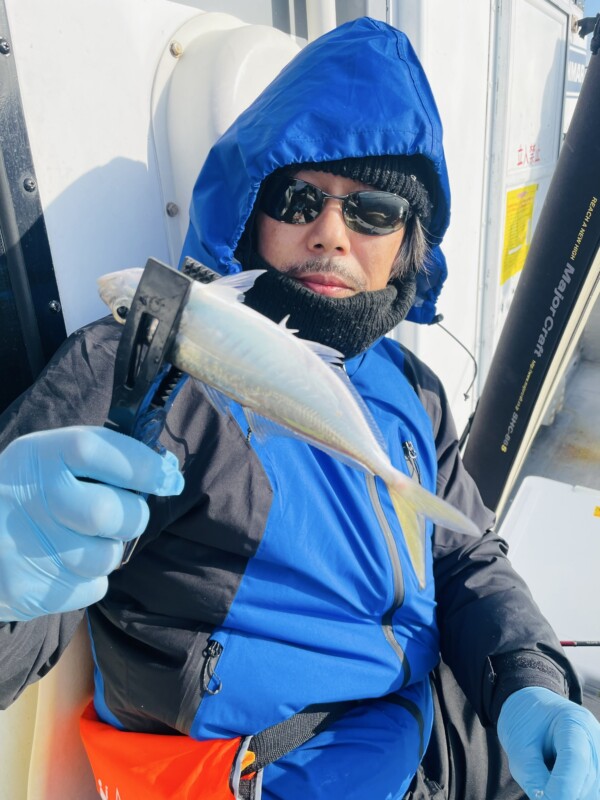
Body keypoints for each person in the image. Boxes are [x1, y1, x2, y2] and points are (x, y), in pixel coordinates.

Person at [0, 16, 598, 800]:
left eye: (374, 210)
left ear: (408, 239)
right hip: (282, 774)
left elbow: (464, 555)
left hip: (438, 723)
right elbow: (28, 627)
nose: (329, 234)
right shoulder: (145, 365)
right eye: (298, 196)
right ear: (252, 208)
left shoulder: (410, 387)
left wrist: (528, 679)